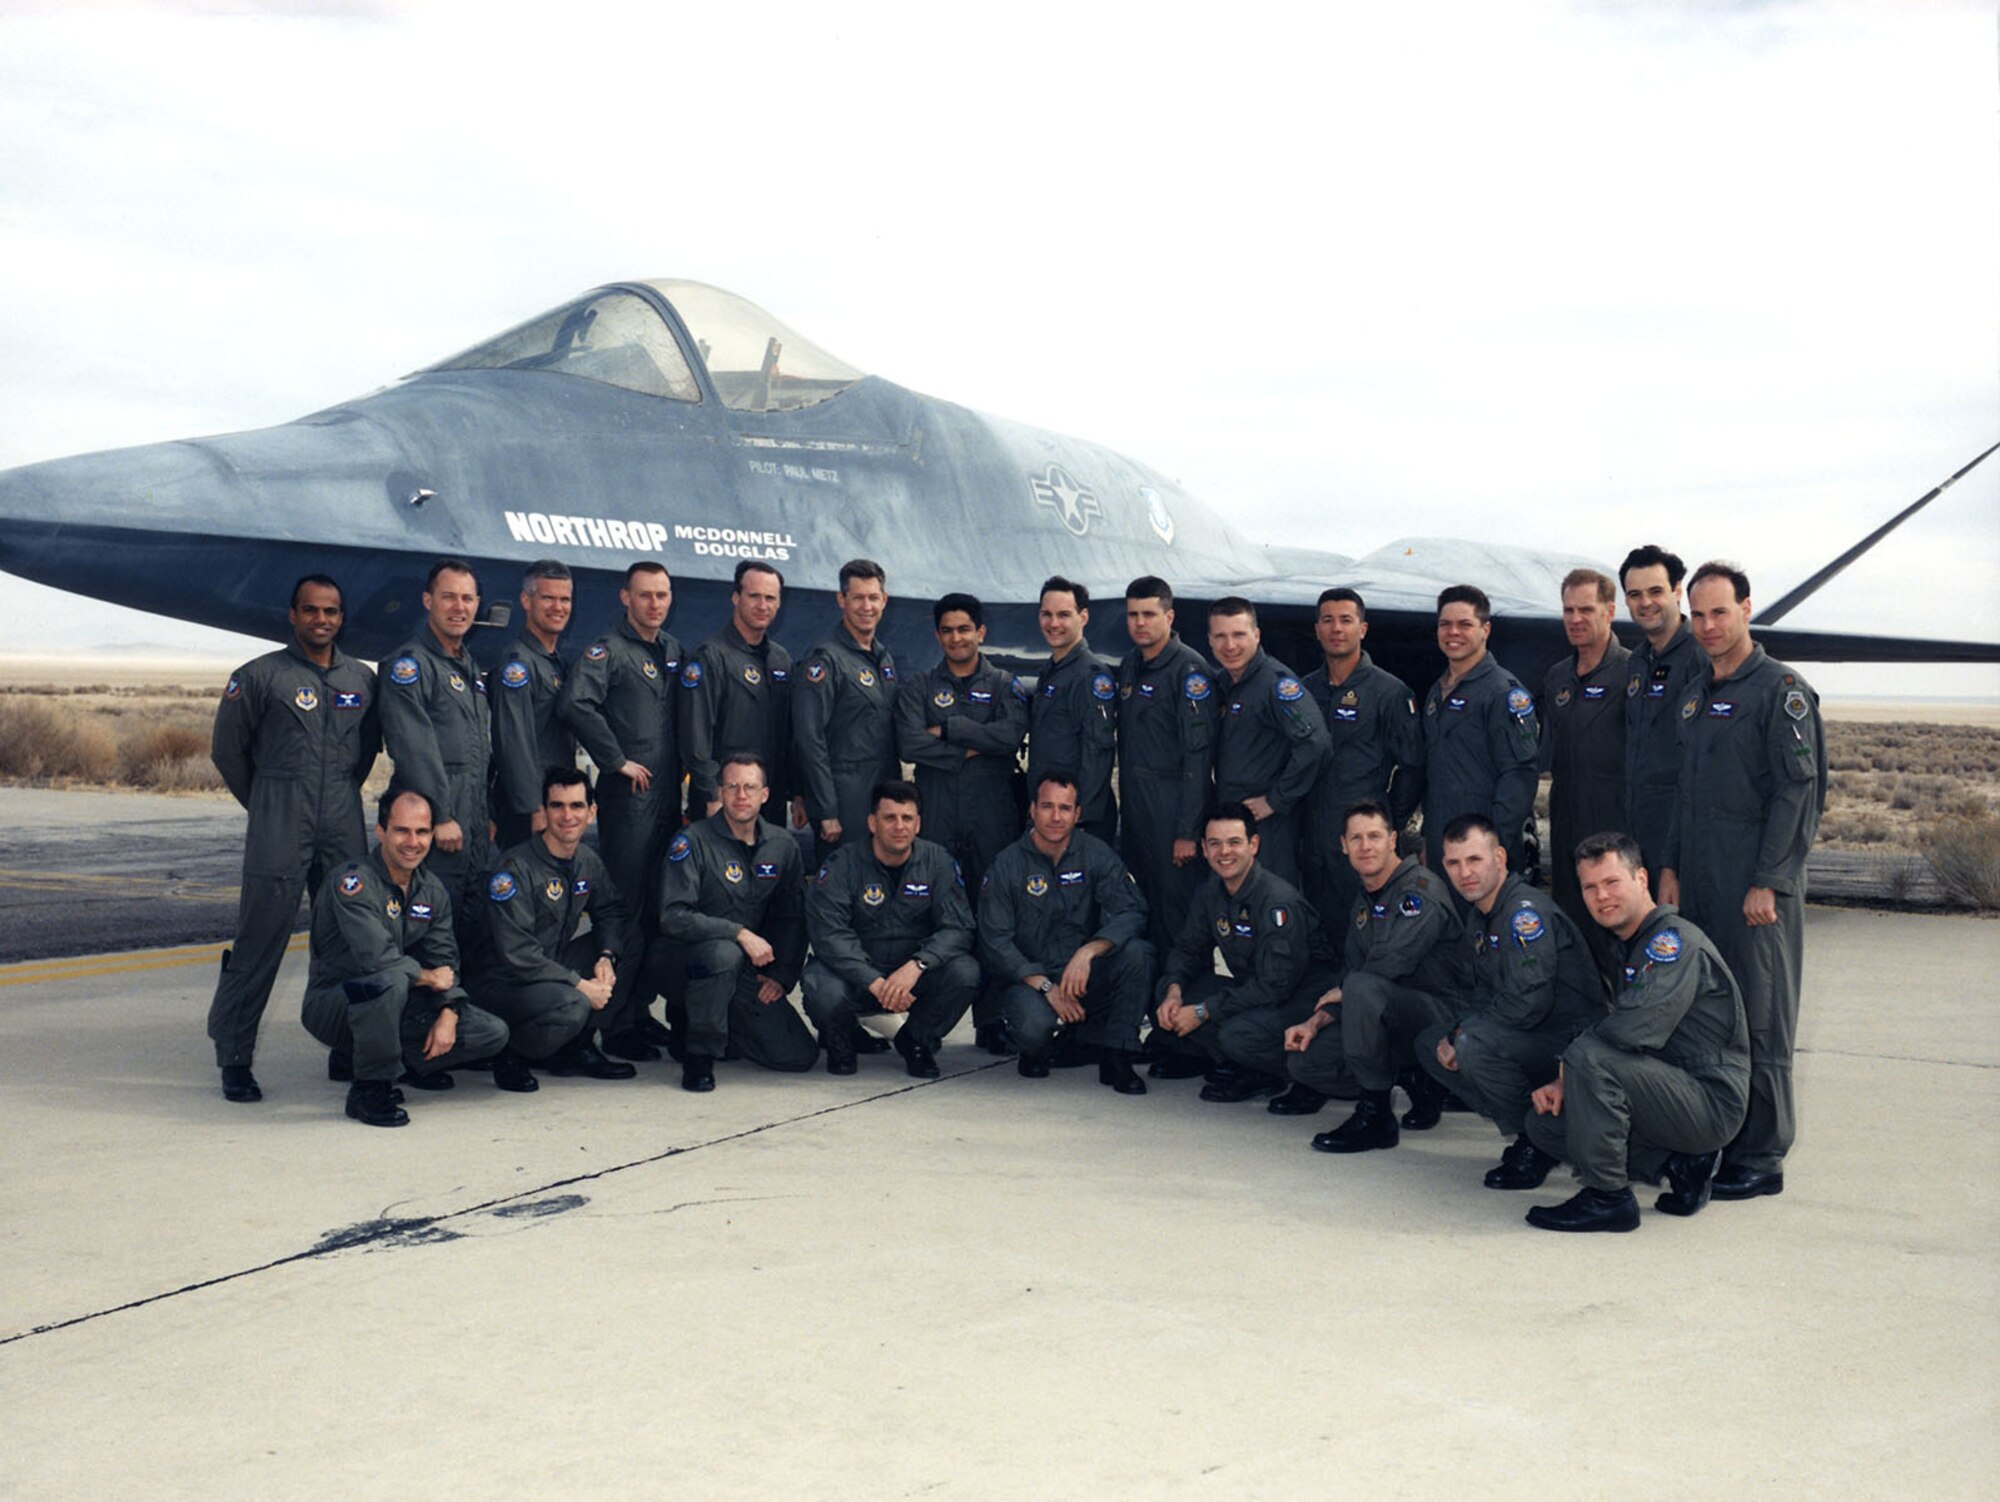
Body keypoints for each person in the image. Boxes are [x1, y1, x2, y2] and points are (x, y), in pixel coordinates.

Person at [1660, 561, 1825, 1201]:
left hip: (1753, 886)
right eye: (1697, 614)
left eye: (1718, 612)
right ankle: (1721, 1132)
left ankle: (1763, 1153)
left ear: (1747, 609)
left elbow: (1797, 792)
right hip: (1699, 878)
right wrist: (1670, 868)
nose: (1706, 626)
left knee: (1762, 1014)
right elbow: (1684, 791)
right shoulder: (1698, 690)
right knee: (1709, 1013)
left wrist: (1771, 879)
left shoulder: (1779, 690)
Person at [206, 574, 379, 1104]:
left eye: (330, 611)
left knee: (350, 940)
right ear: (293, 615)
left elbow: (366, 751)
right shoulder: (259, 677)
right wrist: (267, 804)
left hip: (341, 818)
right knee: (261, 941)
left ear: (341, 617)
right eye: (311, 611)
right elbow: (228, 753)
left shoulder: (362, 679)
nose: (321, 620)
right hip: (279, 820)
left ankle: (344, 1044)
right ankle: (234, 1056)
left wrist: (336, 798)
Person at [1523, 832, 1749, 1233]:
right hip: (1668, 1086)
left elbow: (1633, 1029)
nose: (1601, 896)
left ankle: (1608, 1199)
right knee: (1545, 1127)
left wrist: (1568, 1067)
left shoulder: (1671, 942)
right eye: (1590, 887)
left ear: (1642, 879)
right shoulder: (1631, 942)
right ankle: (1677, 1164)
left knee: (1588, 1057)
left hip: (1709, 1099)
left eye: (1612, 882)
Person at [301, 787, 510, 1127]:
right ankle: (370, 1089)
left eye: (422, 832)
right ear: (381, 830)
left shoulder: (431, 889)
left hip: (395, 999)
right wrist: (428, 978)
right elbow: (377, 960)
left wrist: (449, 1010)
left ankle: (391, 1062)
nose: (412, 841)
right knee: (390, 979)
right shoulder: (353, 883)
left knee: (490, 1032)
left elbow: (446, 960)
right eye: (402, 830)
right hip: (336, 1001)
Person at [1417, 815, 1604, 1189]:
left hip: (1570, 1044)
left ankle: (1540, 1140)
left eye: (1475, 860)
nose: (1464, 872)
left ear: (1500, 858)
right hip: (1530, 1036)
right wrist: (1454, 1031)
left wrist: (1463, 1036)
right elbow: (1484, 994)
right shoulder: (1481, 916)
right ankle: (1528, 1126)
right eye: (1453, 863)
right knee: (1428, 1044)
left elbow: (1527, 1002)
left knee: (1472, 1046)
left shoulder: (1523, 914)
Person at [558, 560, 684, 1060]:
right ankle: (613, 1023)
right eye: (645, 595)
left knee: (656, 909)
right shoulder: (606, 651)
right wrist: (614, 761)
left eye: (662, 595)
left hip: (667, 800)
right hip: (629, 802)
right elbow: (575, 704)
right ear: (625, 598)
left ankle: (638, 1010)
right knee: (626, 910)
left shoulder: (671, 650)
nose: (655, 603)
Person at [895, 592, 1031, 1054]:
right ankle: (925, 1021)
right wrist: (976, 745)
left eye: (964, 629)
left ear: (981, 632)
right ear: (938, 635)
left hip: (992, 814)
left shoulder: (1005, 685)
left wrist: (951, 729)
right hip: (937, 813)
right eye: (948, 630)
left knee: (993, 918)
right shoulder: (918, 687)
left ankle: (990, 1021)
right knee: (935, 915)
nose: (956, 638)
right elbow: (910, 744)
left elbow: (1010, 737)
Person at [1298, 801, 1471, 1152]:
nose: (1366, 846)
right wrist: (1318, 1020)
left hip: (1441, 1016)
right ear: (1343, 845)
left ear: (1392, 839)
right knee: (1307, 1061)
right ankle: (1416, 1078)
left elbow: (1392, 960)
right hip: (1388, 1011)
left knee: (1361, 987)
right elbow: (1353, 968)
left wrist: (1345, 990)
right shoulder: (1365, 899)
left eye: (1374, 836)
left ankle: (1375, 1114)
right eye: (1356, 838)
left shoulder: (1419, 890)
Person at [1149, 802, 1339, 1102]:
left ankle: (1275, 1072)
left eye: (1234, 842)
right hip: (1256, 988)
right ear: (1204, 848)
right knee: (1171, 996)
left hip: (1300, 998)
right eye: (1216, 844)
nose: (1225, 852)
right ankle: (1234, 1060)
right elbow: (1187, 948)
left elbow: (1274, 985)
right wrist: (1173, 991)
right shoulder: (1212, 892)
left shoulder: (1277, 901)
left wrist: (1203, 1011)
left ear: (1254, 844)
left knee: (1236, 1034)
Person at [977, 773, 1152, 1094]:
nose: (1056, 817)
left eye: (1064, 808)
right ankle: (1037, 1048)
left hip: (1083, 974)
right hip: (1032, 979)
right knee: (1032, 1028)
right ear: (1032, 810)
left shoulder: (1096, 855)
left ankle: (1116, 1052)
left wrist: (1089, 952)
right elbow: (995, 941)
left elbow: (1132, 910)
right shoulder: (1007, 865)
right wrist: (1045, 987)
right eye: (1047, 807)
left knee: (1137, 953)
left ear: (1078, 814)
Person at [464, 768, 637, 1086]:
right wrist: (581, 985)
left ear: (591, 812)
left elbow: (611, 910)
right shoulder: (514, 870)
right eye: (557, 806)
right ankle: (510, 1052)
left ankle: (577, 1045)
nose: (567, 815)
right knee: (573, 1003)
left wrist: (606, 957)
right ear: (543, 812)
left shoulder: (586, 860)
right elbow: (517, 953)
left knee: (631, 941)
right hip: (503, 981)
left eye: (576, 806)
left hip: (549, 967)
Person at [655, 752, 818, 1089]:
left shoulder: (782, 845)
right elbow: (673, 916)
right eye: (732, 787)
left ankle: (709, 1019)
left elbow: (792, 917)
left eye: (749, 787)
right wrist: (738, 933)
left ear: (766, 795)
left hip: (743, 970)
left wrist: (781, 975)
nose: (741, 796)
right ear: (720, 793)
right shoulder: (692, 841)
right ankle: (699, 1054)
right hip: (683, 962)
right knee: (722, 953)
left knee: (798, 1056)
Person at [803, 780, 979, 1078]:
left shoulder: (938, 862)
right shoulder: (842, 864)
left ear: (918, 823)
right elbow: (829, 935)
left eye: (907, 818)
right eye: (889, 818)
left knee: (965, 972)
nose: (899, 826)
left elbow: (958, 928)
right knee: (820, 984)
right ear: (872, 822)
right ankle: (841, 1038)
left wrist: (918, 965)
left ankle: (916, 1040)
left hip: (910, 976)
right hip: (858, 975)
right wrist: (874, 982)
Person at [1299, 587, 1422, 964]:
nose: (1337, 629)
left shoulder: (1389, 692)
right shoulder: (1304, 690)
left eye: (1346, 620)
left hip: (1362, 840)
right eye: (1328, 620)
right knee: (1314, 930)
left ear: (1363, 629)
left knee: (1365, 933)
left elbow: (1413, 766)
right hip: (1311, 834)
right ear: (1317, 629)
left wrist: (1389, 819)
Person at [377, 558, 493, 942]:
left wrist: (484, 814)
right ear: (428, 600)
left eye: (467, 598)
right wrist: (440, 815)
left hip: (471, 827)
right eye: (448, 597)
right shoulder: (410, 666)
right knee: (426, 938)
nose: (459, 607)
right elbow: (413, 747)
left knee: (468, 934)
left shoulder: (469, 668)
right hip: (434, 828)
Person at [1115, 576, 1216, 958]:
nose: (1140, 623)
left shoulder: (1189, 672)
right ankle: (1155, 1006)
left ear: (1169, 616)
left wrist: (1188, 831)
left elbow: (1198, 757)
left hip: (1173, 811)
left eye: (1149, 614)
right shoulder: (1130, 666)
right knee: (1144, 909)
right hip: (1139, 811)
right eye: (1132, 615)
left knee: (1179, 918)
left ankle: (1184, 1005)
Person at [1413, 584, 1539, 872]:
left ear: (1485, 630)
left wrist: (1493, 845)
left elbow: (1519, 778)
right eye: (1445, 624)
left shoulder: (1503, 693)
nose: (1453, 632)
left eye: (1464, 624)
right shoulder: (1437, 692)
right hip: (1443, 846)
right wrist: (1428, 839)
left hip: (1482, 853)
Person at [1207, 598, 1327, 889]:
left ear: (1256, 636)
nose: (1230, 645)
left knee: (1271, 897)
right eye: (1221, 636)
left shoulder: (1276, 685)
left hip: (1266, 821)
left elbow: (1316, 743)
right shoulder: (1224, 683)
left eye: (1239, 635)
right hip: (1230, 815)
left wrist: (1276, 799)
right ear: (1209, 640)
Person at [1541, 567, 1630, 936]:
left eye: (1586, 610)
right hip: (1566, 827)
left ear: (1609, 612)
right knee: (1571, 928)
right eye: (1568, 610)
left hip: (1616, 829)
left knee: (1617, 928)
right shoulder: (1556, 678)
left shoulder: (1632, 673)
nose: (1575, 619)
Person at [795, 559, 900, 860]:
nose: (866, 606)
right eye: (857, 598)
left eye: (873, 597)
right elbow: (809, 738)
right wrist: (826, 809)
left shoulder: (883, 658)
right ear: (842, 600)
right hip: (845, 803)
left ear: (884, 600)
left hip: (882, 796)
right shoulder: (824, 660)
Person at [680, 560, 796, 816]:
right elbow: (695, 735)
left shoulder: (781, 659)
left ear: (779, 603)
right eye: (754, 596)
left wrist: (796, 792)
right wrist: (712, 793)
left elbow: (789, 734)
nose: (762, 605)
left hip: (768, 801)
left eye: (770, 598)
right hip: (724, 800)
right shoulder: (710, 656)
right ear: (736, 597)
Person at [1619, 544, 1705, 882]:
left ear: (1677, 591)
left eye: (1656, 591)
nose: (1645, 603)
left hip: (1683, 833)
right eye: (1635, 594)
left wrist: (1678, 857)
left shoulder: (1700, 658)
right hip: (1641, 827)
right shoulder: (1638, 661)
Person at [489, 559, 578, 850]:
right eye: (548, 598)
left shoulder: (553, 663)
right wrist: (533, 808)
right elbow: (513, 742)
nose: (558, 607)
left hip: (554, 801)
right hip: (528, 810)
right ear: (526, 601)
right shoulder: (518, 665)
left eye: (565, 599)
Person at [1025, 576, 1117, 844]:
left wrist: (1080, 818)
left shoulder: (1090, 676)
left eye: (1064, 615)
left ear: (1083, 617)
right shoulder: (1052, 672)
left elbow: (1097, 753)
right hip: (1054, 814)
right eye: (1047, 614)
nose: (1054, 624)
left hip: (1077, 821)